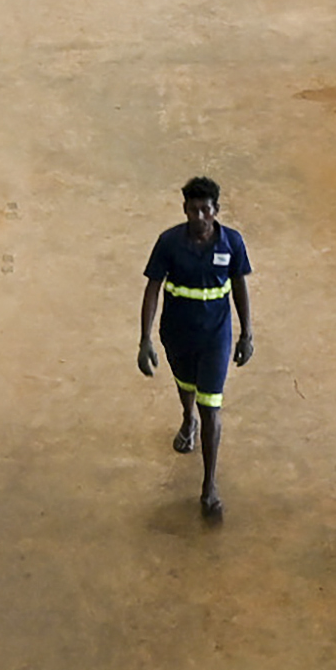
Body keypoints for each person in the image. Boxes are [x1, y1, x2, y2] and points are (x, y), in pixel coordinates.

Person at [137, 176, 254, 517]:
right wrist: (145, 339)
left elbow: (239, 287)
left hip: (216, 336)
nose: (200, 216)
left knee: (211, 406)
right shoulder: (169, 243)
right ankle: (188, 421)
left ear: (216, 210)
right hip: (177, 333)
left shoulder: (231, 243)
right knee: (186, 384)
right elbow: (152, 288)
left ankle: (209, 485)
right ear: (184, 210)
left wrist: (247, 333)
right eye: (193, 210)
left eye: (206, 209)